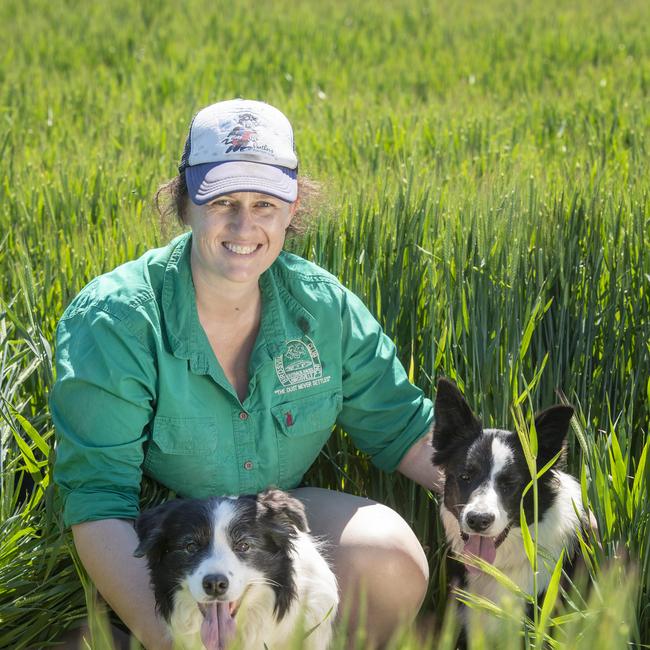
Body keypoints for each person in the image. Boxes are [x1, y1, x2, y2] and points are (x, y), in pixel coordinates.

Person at [51, 99, 442, 649]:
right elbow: (98, 503)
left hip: (263, 527)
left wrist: (521, 494)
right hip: (162, 544)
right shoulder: (117, 320)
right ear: (185, 202)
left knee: (390, 556)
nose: (244, 225)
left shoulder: (321, 307)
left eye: (264, 203)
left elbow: (407, 430)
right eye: (223, 201)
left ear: (292, 206)